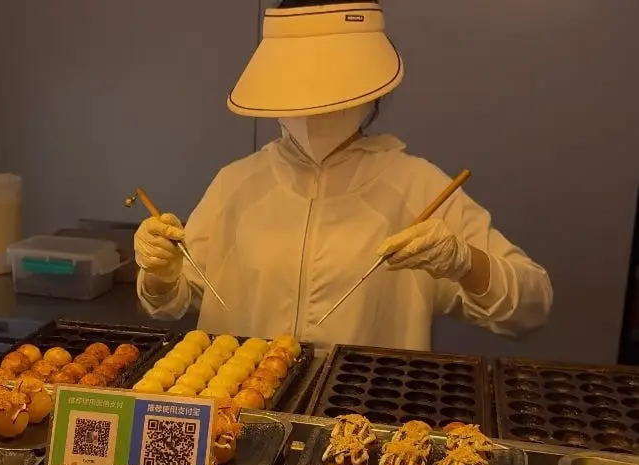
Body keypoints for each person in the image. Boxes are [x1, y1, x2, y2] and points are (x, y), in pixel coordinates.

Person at [134, 0, 552, 350]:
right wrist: (160, 275)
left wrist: (464, 262)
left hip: (369, 416)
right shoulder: (236, 183)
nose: (313, 111)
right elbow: (174, 302)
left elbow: (531, 308)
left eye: (327, 94)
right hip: (238, 413)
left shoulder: (418, 187)